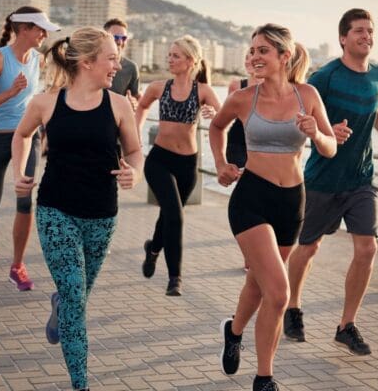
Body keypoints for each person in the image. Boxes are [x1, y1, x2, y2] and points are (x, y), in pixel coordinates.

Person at [11, 26, 143, 391]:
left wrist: (135, 171)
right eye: (111, 58)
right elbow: (21, 135)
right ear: (87, 62)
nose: (118, 65)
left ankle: (60, 305)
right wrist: (21, 173)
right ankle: (80, 384)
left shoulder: (118, 105)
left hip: (102, 216)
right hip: (56, 211)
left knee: (76, 297)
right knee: (75, 295)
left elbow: (133, 150)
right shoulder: (46, 102)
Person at [210, 24, 336, 391]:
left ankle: (233, 332)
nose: (254, 57)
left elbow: (330, 147)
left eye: (263, 50)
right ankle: (264, 378)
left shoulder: (307, 95)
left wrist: (316, 133)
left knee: (259, 283)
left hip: (291, 203)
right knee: (279, 293)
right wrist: (220, 164)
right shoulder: (242, 98)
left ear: (285, 56)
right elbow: (216, 128)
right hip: (251, 199)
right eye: (252, 50)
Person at [284, 8, 378, 356]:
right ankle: (292, 308)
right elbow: (301, 116)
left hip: (360, 179)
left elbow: (376, 106)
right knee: (308, 248)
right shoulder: (325, 77)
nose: (366, 36)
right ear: (343, 37)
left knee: (368, 248)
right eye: (359, 31)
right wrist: (326, 131)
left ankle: (346, 325)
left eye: (370, 31)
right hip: (323, 178)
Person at [0, 6, 60, 290]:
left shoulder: (38, 60)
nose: (44, 34)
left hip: (27, 137)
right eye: (39, 29)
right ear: (23, 29)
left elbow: (45, 95)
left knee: (25, 201)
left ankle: (17, 266)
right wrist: (10, 92)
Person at [135, 35, 220, 296]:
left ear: (190, 61)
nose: (170, 59)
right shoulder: (159, 87)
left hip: (187, 166)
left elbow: (223, 118)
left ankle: (153, 249)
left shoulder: (203, 91)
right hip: (159, 160)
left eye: (176, 56)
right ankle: (175, 279)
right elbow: (140, 110)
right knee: (176, 216)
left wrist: (213, 114)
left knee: (169, 216)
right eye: (169, 55)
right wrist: (136, 142)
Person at [226, 52, 263, 272]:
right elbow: (226, 116)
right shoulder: (236, 85)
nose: (250, 60)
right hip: (239, 144)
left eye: (254, 55)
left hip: (261, 146)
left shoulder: (272, 85)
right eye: (247, 56)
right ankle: (250, 255)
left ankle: (258, 252)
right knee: (248, 199)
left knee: (261, 199)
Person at [103, 18, 140, 111]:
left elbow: (137, 98)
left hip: (115, 121)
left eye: (123, 38)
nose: (120, 42)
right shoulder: (92, 63)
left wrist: (134, 103)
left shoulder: (131, 68)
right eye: (115, 37)